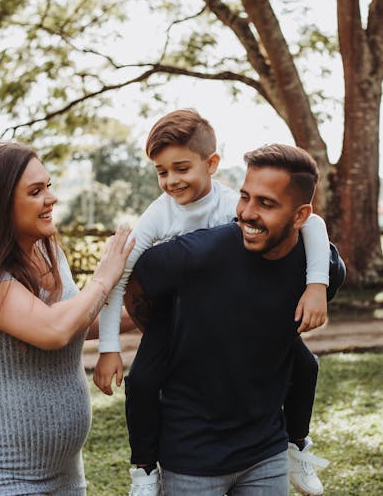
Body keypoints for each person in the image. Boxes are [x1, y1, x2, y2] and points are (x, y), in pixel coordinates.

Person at [92, 109, 333, 494]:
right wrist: (108, 348)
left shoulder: (232, 204)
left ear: (212, 163)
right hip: (175, 317)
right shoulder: (157, 216)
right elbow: (118, 278)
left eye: (181, 168)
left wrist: (316, 284)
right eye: (161, 171)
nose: (171, 181)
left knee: (305, 363)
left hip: (234, 316)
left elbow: (314, 224)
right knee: (142, 380)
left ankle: (296, 444)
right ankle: (143, 469)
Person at [0, 141, 136, 495]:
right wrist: (104, 278)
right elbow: (53, 329)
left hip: (63, 474)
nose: (51, 198)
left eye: (48, 185)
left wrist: (142, 312)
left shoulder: (49, 253)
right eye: (36, 191)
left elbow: (77, 320)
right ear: (0, 205)